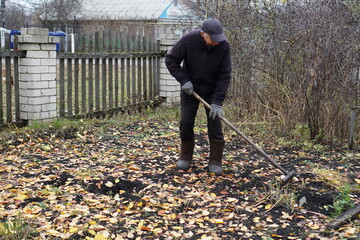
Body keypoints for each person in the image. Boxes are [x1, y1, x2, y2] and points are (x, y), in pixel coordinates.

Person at [165, 18, 232, 175]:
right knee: (186, 121)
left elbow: (224, 75)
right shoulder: (189, 40)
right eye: (213, 39)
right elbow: (171, 59)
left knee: (215, 124)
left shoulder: (223, 46)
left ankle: (215, 160)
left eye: (219, 39)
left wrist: (217, 102)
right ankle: (186, 156)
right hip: (191, 89)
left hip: (212, 90)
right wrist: (184, 80)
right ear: (203, 34)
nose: (217, 42)